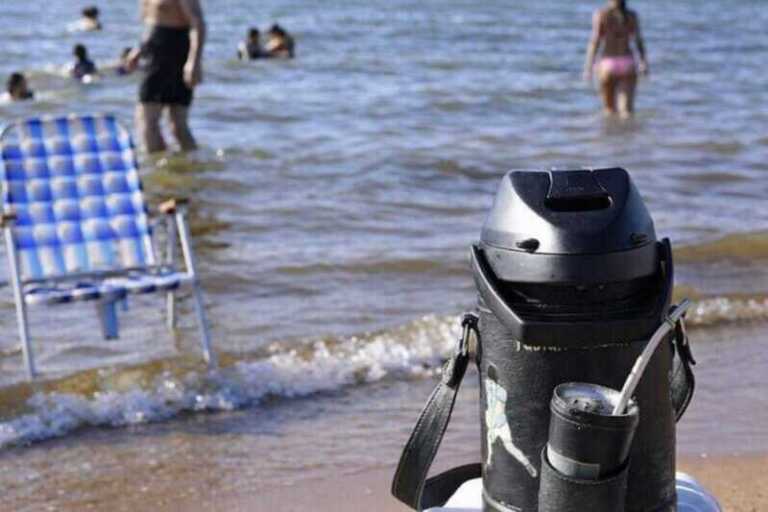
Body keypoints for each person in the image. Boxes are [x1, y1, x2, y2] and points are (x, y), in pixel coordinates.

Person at [126, 0, 205, 153]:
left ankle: (163, 172)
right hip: (154, 52)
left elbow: (198, 23)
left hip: (175, 52)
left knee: (154, 121)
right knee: (165, 123)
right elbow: (152, 22)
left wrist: (194, 62)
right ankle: (179, 170)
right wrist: (138, 50)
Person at [583, 0, 648, 117]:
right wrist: (643, 62)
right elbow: (638, 41)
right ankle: (629, 134)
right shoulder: (632, 16)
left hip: (607, 64)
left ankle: (611, 134)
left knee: (609, 111)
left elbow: (595, 41)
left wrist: (588, 67)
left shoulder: (601, 14)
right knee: (627, 112)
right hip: (627, 62)